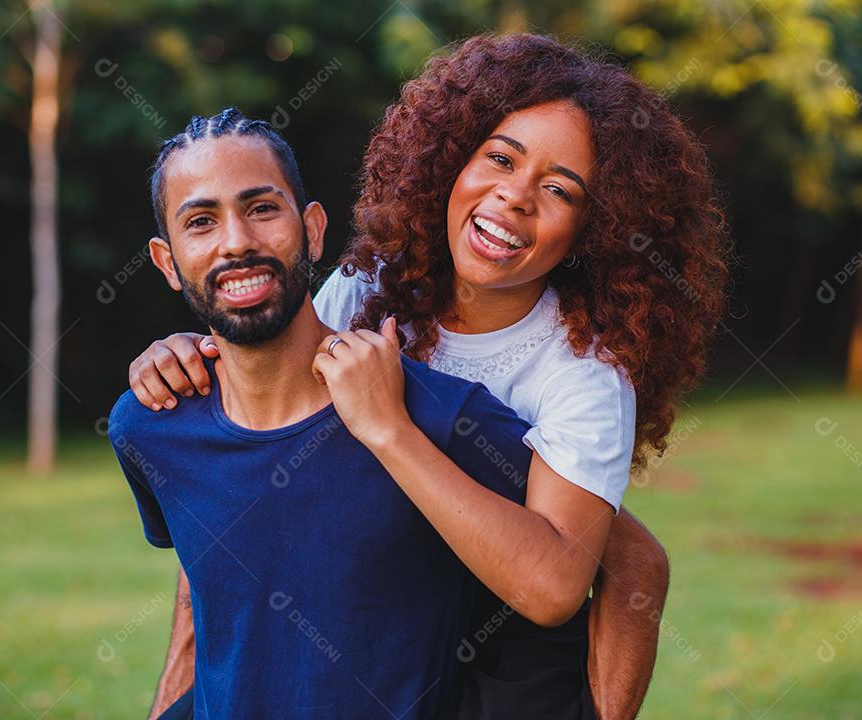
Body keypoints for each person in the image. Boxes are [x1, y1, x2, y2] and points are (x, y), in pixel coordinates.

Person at [132, 34, 729, 720]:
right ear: (451, 160)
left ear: (595, 227)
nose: (514, 197)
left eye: (559, 189)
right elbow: (257, 459)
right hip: (376, 620)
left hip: (493, 662)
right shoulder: (364, 291)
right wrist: (196, 352)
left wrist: (389, 429)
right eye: (500, 158)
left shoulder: (582, 374)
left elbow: (596, 574)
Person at [109, 108, 545, 719]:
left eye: (262, 208)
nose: (236, 241)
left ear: (313, 230)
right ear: (167, 261)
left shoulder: (439, 416)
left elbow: (593, 562)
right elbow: (209, 580)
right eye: (201, 221)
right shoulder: (149, 425)